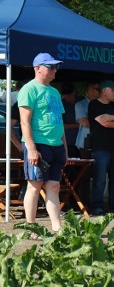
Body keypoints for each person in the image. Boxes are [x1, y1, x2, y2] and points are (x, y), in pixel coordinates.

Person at [18, 52, 67, 234]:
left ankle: (57, 228)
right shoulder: (29, 89)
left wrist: (65, 148)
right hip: (38, 144)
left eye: (56, 67)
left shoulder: (54, 92)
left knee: (54, 186)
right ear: (37, 68)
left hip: (56, 146)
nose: (55, 70)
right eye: (51, 66)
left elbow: (59, 122)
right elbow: (25, 121)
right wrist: (31, 148)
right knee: (35, 186)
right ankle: (31, 229)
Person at [89, 80, 114, 215]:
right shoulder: (94, 105)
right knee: (100, 179)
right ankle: (97, 206)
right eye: (113, 90)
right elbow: (103, 123)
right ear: (105, 90)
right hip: (100, 147)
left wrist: (110, 117)